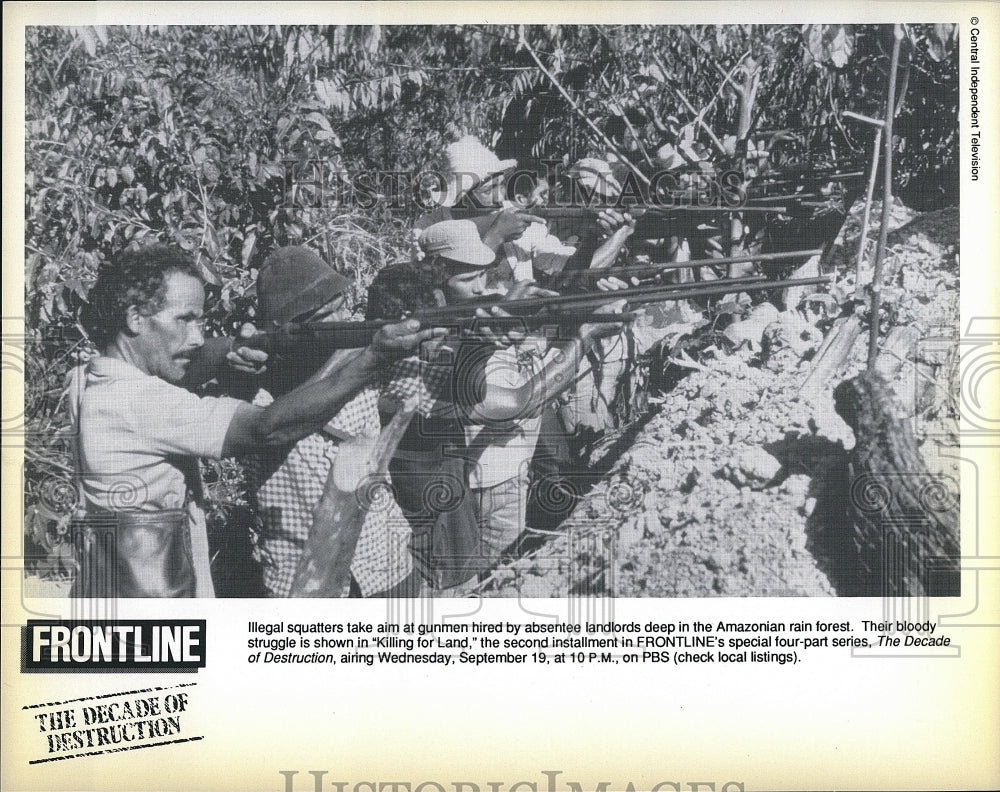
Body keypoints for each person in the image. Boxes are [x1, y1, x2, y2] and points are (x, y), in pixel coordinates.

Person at [69, 244, 437, 598]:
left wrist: (234, 351)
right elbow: (266, 429)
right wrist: (371, 357)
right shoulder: (139, 401)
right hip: (154, 596)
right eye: (184, 320)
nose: (197, 338)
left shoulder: (88, 377)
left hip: (125, 583)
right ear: (135, 318)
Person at [370, 220, 627, 592]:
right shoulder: (411, 374)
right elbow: (512, 402)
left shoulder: (441, 342)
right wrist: (585, 336)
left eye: (482, 276)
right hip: (450, 524)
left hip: (462, 509)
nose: (478, 288)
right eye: (464, 280)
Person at [242, 246, 419, 598]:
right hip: (300, 574)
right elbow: (273, 428)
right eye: (324, 316)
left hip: (382, 560)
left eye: (340, 309)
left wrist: (476, 346)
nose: (339, 324)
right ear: (283, 329)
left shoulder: (368, 356)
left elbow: (455, 394)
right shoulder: (250, 386)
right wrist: (363, 361)